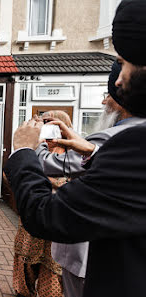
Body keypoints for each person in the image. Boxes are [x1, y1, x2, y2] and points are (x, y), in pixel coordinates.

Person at [4, 1, 146, 296]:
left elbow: (45, 214)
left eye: (125, 63)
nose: (118, 80)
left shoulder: (134, 142)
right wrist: (92, 152)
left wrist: (22, 151)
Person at [35, 62, 146, 297]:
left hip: (92, 247)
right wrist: (90, 151)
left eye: (109, 95)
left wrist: (27, 147)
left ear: (122, 98)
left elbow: (53, 169)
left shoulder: (117, 138)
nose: (104, 101)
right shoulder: (106, 141)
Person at [12, 110, 71, 297]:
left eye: (49, 122)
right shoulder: (34, 149)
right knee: (26, 263)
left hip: (57, 224)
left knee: (52, 271)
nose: (45, 127)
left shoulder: (74, 152)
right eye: (42, 123)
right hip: (32, 219)